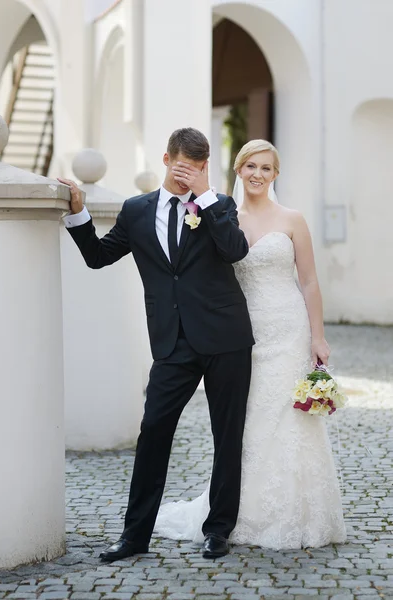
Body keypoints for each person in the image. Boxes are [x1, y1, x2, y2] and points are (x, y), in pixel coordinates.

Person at [58, 127, 255, 561]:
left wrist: (204, 196)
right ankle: (134, 538)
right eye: (183, 167)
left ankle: (218, 530)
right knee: (152, 434)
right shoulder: (136, 210)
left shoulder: (219, 205)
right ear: (166, 160)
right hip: (172, 344)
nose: (190, 176)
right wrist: (77, 212)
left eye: (199, 169)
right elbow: (98, 256)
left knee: (227, 435)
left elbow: (235, 251)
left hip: (226, 338)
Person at [154, 140, 347, 550]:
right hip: (238, 332)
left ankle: (296, 512)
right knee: (243, 421)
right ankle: (233, 513)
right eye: (251, 167)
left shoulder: (292, 219)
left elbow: (309, 280)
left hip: (288, 329)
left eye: (266, 168)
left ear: (275, 175)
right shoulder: (218, 214)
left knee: (290, 417)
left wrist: (318, 336)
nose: (258, 174)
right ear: (239, 170)